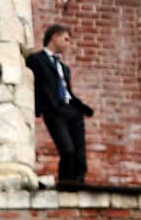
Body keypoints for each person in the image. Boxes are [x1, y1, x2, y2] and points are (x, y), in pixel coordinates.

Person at [26, 23, 94, 185]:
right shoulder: (36, 60)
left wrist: (82, 107)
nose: (68, 44)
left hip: (72, 111)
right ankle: (65, 184)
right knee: (67, 150)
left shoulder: (64, 68)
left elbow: (67, 92)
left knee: (79, 153)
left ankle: (78, 183)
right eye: (66, 39)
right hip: (54, 111)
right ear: (55, 37)